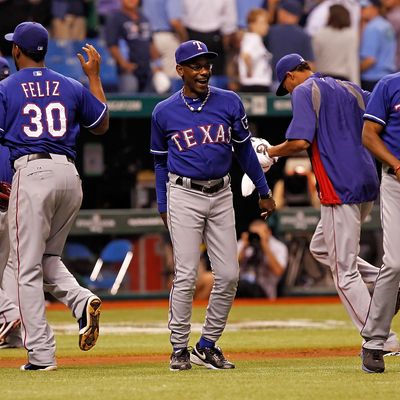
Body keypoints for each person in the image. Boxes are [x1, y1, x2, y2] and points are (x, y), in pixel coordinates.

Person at [150, 40, 276, 371]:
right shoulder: (163, 111)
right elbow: (160, 164)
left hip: (221, 193)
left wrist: (263, 190)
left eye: (206, 64)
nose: (204, 70)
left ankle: (207, 344)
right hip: (183, 193)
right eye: (195, 65)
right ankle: (178, 347)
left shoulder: (229, 102)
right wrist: (162, 202)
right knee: (188, 273)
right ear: (180, 70)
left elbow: (245, 151)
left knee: (230, 274)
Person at [266, 53, 400, 354]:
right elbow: (383, 120)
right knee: (321, 247)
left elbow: (300, 141)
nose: (287, 91)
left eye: (285, 86)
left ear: (290, 76)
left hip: (338, 184)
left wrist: (272, 152)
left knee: (343, 273)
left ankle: (381, 338)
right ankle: (386, 282)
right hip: (367, 180)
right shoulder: (349, 87)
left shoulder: (302, 91)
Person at [0, 21, 109, 370]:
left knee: (25, 271)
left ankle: (41, 354)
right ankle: (81, 302)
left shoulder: (6, 87)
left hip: (32, 173)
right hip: (69, 176)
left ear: (18, 50)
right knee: (47, 259)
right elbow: (102, 122)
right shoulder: (71, 84)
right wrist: (93, 76)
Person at [360, 70, 400, 372]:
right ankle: (374, 341)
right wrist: (396, 163)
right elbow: (368, 134)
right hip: (396, 181)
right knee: (396, 262)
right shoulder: (389, 84)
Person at [0, 56, 22, 349]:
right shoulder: (18, 116)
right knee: (12, 269)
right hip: (18, 203)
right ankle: (15, 335)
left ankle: (7, 312)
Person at [237, 219, 288, 299]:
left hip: (265, 292)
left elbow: (278, 271)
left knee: (244, 286)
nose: (257, 238)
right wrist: (244, 248)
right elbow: (230, 269)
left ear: (269, 233)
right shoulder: (244, 243)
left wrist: (265, 246)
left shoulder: (278, 247)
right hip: (241, 288)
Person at [312, 4, 360, 84]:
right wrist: (357, 87)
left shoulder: (320, 34)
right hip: (343, 80)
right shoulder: (351, 35)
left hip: (323, 78)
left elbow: (314, 59)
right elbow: (352, 62)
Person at [359, 0, 396, 91]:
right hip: (388, 76)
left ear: (375, 8)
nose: (361, 10)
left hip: (372, 78)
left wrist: (353, 71)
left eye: (364, 7)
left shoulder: (372, 27)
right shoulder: (386, 25)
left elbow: (370, 60)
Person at [238, 8, 273, 93]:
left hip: (256, 84)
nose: (266, 26)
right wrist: (249, 71)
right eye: (262, 23)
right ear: (252, 24)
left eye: (266, 23)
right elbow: (245, 55)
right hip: (255, 85)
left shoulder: (254, 38)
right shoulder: (253, 38)